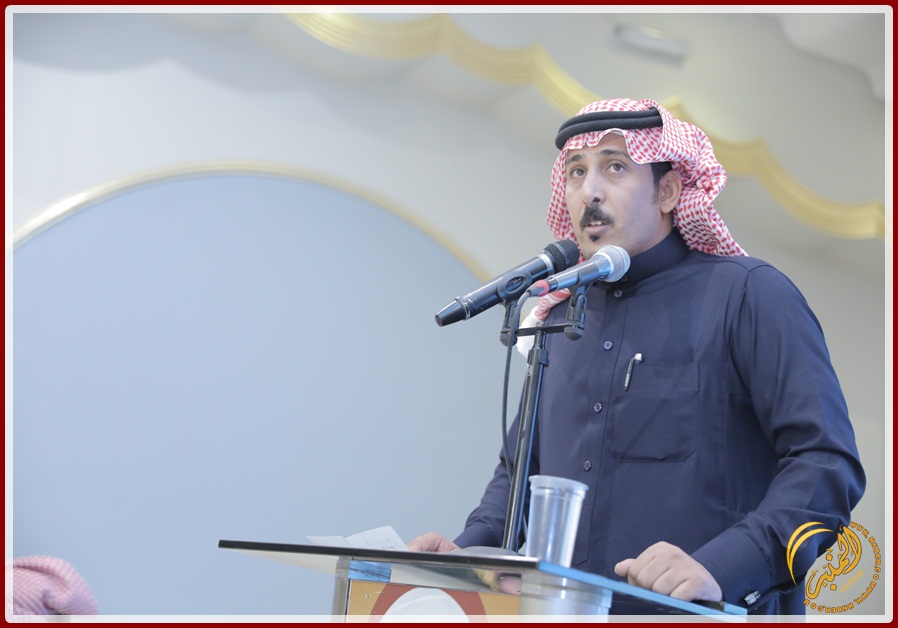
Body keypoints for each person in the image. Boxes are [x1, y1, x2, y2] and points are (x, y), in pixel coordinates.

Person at [408, 98, 866, 615]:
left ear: (668, 192)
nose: (590, 190)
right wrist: (468, 552)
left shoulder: (748, 296)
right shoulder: (560, 321)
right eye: (576, 171)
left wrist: (722, 567)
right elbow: (519, 476)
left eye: (615, 167)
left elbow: (826, 463)